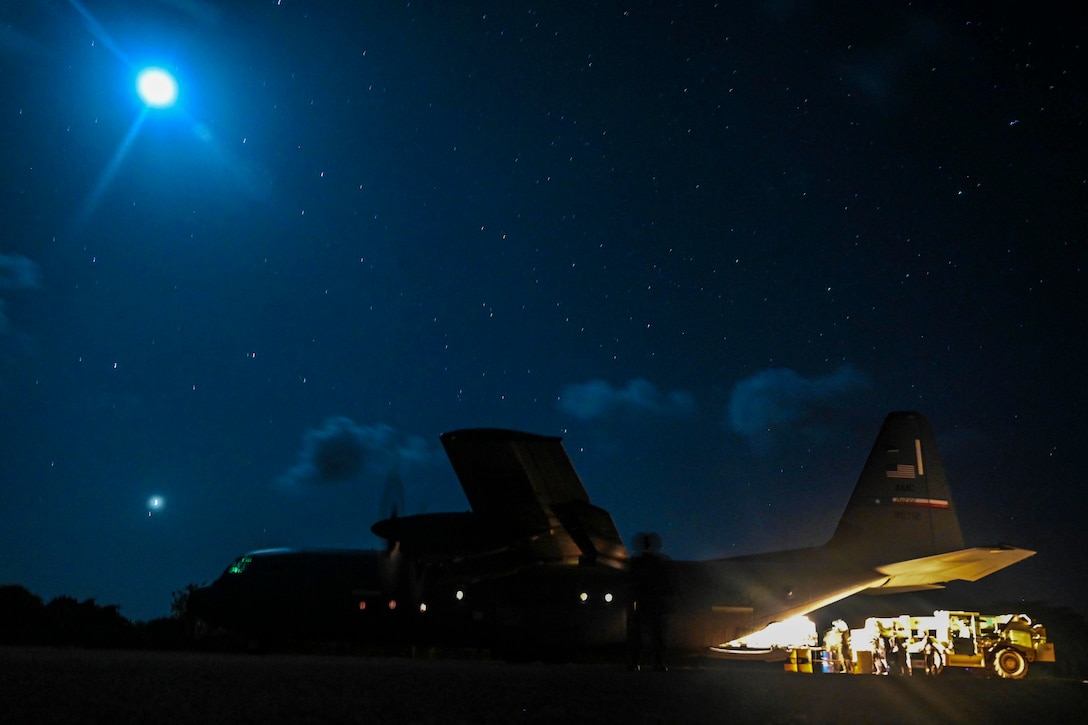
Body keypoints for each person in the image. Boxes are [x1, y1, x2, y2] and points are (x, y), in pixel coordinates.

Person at [627, 532, 671, 671]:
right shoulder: (661, 561)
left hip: (642, 601)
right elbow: (667, 583)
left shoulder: (636, 561)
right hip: (656, 602)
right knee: (657, 634)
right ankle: (658, 663)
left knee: (638, 634)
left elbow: (631, 581)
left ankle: (635, 663)